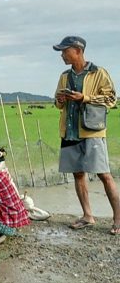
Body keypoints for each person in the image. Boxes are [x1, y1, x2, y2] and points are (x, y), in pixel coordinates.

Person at [53, 36, 120, 233]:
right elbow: (58, 105)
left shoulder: (98, 73)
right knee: (78, 174)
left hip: (92, 130)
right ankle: (87, 215)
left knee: (104, 174)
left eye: (65, 51)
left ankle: (118, 219)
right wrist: (61, 99)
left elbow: (111, 99)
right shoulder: (65, 76)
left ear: (78, 50)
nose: (62, 55)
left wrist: (85, 98)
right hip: (70, 131)